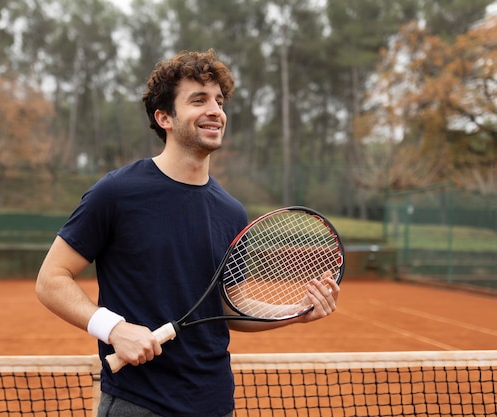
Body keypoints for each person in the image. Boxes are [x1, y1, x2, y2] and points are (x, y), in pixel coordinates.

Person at [36, 49, 340, 417]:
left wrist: (296, 311)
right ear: (164, 117)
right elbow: (51, 279)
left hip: (214, 403)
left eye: (219, 101)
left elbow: (229, 307)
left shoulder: (231, 212)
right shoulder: (116, 193)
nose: (215, 110)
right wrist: (113, 328)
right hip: (139, 404)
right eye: (199, 100)